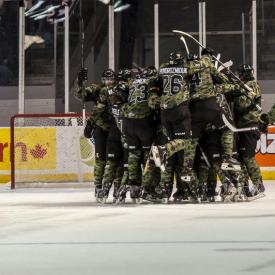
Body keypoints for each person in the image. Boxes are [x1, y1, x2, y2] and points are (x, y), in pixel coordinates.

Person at [74, 68, 110, 202]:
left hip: (115, 130)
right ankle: (98, 186)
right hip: (100, 128)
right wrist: (80, 82)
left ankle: (116, 187)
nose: (108, 82)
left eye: (111, 79)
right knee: (100, 160)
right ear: (102, 80)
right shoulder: (96, 89)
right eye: (106, 79)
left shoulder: (119, 89)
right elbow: (80, 95)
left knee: (115, 161)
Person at [234, 64, 265, 199]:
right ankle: (244, 185)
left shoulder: (251, 85)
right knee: (241, 158)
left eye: (240, 74)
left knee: (248, 156)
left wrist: (235, 95)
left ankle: (258, 184)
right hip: (242, 127)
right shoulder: (246, 84)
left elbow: (242, 105)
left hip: (249, 126)